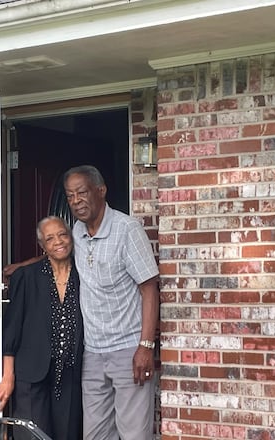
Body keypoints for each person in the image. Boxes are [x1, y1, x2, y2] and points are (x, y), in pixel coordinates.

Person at [63, 165, 160, 440]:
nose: (76, 201)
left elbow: (150, 289)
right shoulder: (77, 232)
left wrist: (145, 346)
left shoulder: (127, 229)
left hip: (129, 349)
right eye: (70, 196)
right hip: (92, 353)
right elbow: (56, 255)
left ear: (101, 191)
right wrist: (17, 268)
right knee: (95, 434)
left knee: (134, 434)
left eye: (82, 192)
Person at [0, 216, 83, 440]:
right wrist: (8, 377)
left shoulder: (84, 274)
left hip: (71, 375)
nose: (58, 242)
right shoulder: (27, 276)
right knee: (31, 435)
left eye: (62, 234)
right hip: (31, 376)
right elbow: (12, 330)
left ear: (71, 237)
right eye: (50, 238)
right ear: (42, 246)